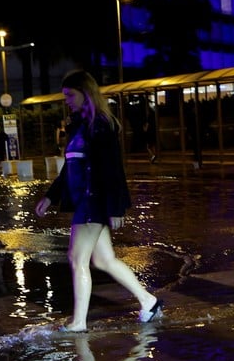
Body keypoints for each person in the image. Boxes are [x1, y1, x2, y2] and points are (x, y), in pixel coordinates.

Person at [35, 69, 162, 332]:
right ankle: (149, 301)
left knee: (76, 258)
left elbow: (113, 169)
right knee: (104, 261)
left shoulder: (101, 124)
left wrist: (116, 208)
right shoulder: (79, 125)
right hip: (86, 200)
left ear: (86, 93)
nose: (67, 100)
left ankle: (79, 323)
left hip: (93, 201)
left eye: (70, 95)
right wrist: (50, 196)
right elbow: (69, 168)